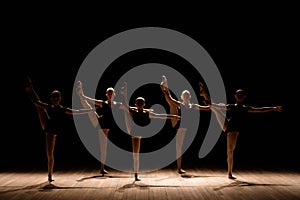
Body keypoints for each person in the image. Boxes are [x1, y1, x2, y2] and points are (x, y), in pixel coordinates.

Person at [199, 84, 283, 179]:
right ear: (235, 96)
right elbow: (219, 106)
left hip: (234, 130)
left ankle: (229, 172)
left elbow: (260, 110)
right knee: (216, 109)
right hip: (228, 125)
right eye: (238, 95)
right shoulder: (232, 106)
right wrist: (210, 103)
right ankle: (204, 93)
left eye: (241, 95)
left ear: (244, 97)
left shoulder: (245, 108)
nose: (239, 96)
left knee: (230, 151)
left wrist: (273, 108)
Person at [25, 78, 95, 183]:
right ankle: (30, 87)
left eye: (57, 99)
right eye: (53, 99)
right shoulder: (49, 107)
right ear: (51, 99)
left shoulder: (63, 109)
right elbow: (37, 102)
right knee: (38, 106)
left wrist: (89, 110)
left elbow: (77, 111)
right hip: (48, 127)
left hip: (53, 131)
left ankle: (50, 174)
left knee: (50, 154)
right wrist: (31, 95)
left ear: (60, 99)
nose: (55, 101)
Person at [120, 82, 181, 181]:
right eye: (138, 103)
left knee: (137, 155)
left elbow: (160, 116)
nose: (140, 104)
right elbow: (125, 104)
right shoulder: (134, 111)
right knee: (136, 155)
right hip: (134, 132)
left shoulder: (146, 113)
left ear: (144, 104)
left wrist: (173, 116)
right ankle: (136, 175)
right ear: (136, 104)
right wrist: (125, 93)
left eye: (141, 103)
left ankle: (136, 175)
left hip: (139, 131)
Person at [160, 75, 211, 174]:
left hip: (187, 127)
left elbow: (208, 108)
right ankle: (179, 168)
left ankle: (165, 86)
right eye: (185, 95)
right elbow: (170, 99)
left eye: (188, 95)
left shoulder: (194, 106)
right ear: (182, 97)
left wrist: (205, 95)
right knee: (171, 103)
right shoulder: (181, 104)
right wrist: (164, 90)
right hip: (179, 126)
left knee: (182, 147)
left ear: (190, 97)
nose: (186, 97)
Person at [76, 81, 124, 175]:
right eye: (109, 93)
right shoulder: (103, 103)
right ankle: (80, 92)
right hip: (99, 122)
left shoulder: (117, 104)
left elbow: (128, 108)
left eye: (112, 93)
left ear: (114, 94)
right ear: (106, 94)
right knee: (88, 107)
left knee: (103, 147)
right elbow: (90, 100)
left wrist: (144, 110)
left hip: (105, 126)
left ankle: (102, 168)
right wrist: (82, 96)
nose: (110, 94)